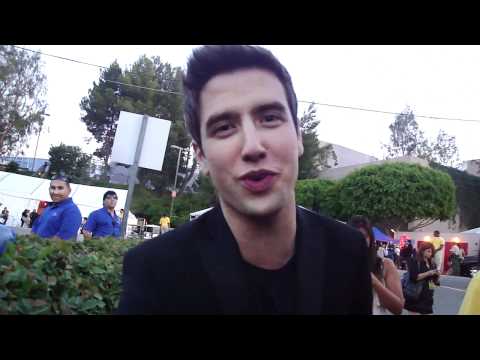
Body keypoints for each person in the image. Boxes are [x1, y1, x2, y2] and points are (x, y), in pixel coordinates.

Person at [118, 45, 372, 315]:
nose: (252, 147)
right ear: (201, 155)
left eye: (270, 118)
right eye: (224, 127)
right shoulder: (155, 272)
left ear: (298, 136)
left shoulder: (348, 251)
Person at [349, 216, 404, 315]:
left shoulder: (385, 265)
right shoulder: (340, 264)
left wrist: (375, 283)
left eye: (364, 236)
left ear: (371, 239)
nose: (359, 241)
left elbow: (398, 308)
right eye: (354, 236)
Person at [32, 174, 82, 241]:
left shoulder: (71, 211)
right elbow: (34, 229)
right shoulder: (48, 208)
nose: (55, 192)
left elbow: (61, 240)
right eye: (53, 188)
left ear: (69, 190)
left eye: (60, 188)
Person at [404, 242, 440, 315]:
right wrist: (429, 273)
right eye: (428, 251)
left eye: (431, 251)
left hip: (427, 296)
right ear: (422, 251)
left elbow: (434, 282)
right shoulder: (415, 261)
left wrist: (437, 276)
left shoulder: (432, 263)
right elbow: (414, 278)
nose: (430, 253)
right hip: (415, 295)